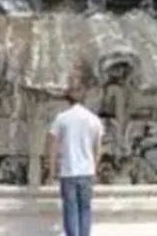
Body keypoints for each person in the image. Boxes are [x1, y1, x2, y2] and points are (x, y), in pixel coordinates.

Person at [45, 82, 104, 236]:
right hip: (87, 171)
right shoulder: (94, 119)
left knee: (70, 208)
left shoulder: (61, 118)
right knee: (85, 208)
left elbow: (52, 146)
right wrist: (95, 168)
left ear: (67, 100)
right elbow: (98, 148)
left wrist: (51, 171)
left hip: (68, 170)